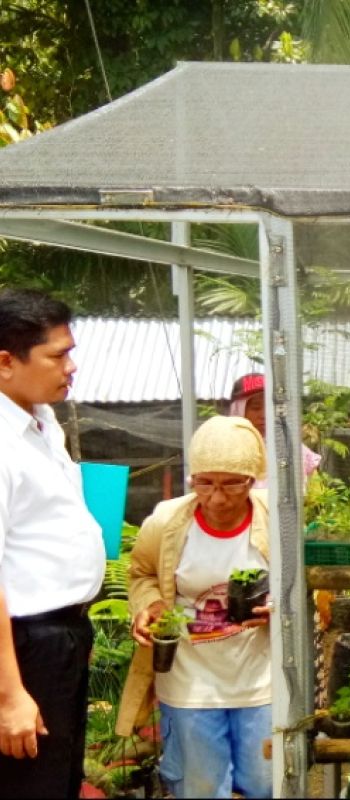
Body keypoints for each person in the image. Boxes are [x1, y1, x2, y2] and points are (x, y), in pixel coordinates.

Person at [116, 415, 273, 798]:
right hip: (189, 681)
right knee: (201, 786)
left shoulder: (275, 520)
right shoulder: (168, 521)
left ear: (252, 479)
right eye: (205, 482)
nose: (217, 496)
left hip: (260, 681)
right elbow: (142, 574)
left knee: (264, 782)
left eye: (232, 484)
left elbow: (308, 587)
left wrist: (281, 607)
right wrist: (149, 605)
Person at [0, 288, 105, 799]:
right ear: (5, 361)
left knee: (59, 778)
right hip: (22, 646)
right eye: (57, 354)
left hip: (59, 638)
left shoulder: (42, 422)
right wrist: (10, 694)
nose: (71, 366)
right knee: (28, 785)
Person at [229, 372, 322, 489]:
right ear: (238, 411)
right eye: (255, 407)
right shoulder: (225, 451)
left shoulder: (295, 451)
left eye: (269, 407)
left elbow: (316, 499)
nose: (264, 415)